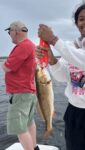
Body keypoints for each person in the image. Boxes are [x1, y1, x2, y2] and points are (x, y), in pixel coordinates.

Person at [36, 1, 85, 150]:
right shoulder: (70, 47)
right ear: (76, 23)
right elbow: (62, 76)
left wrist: (54, 40)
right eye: (81, 19)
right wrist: (51, 57)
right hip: (74, 112)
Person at [2, 21, 40, 150]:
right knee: (29, 123)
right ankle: (34, 147)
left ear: (15, 31)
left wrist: (4, 64)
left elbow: (7, 67)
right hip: (28, 92)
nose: (9, 35)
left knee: (19, 128)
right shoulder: (30, 45)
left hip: (20, 93)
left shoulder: (23, 46)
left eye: (9, 32)